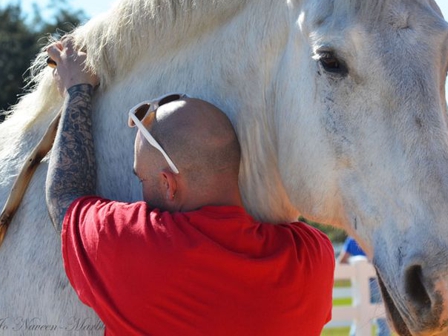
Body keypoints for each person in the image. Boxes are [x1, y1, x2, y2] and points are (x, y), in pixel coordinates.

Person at [45, 37, 335, 336]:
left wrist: (76, 89)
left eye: (141, 178)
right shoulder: (313, 258)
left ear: (169, 185)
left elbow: (64, 196)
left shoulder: (141, 247)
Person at [338, 237, 391, 336]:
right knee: (381, 319)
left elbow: (342, 260)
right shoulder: (371, 237)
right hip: (376, 283)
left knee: (360, 317)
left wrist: (352, 263)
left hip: (363, 285)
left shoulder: (352, 240)